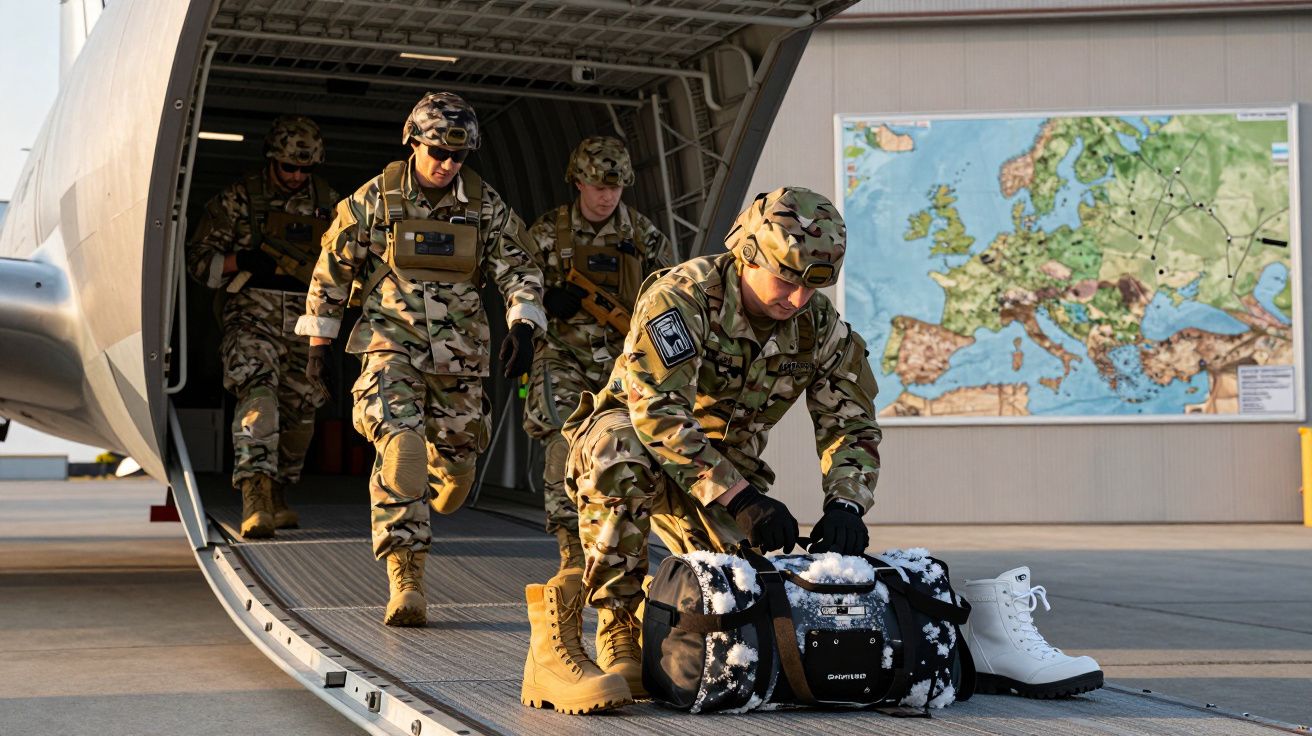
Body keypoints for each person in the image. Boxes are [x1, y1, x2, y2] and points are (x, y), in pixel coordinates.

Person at [520, 186, 1102, 713]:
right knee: (617, 448)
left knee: (744, 596)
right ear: (748, 254)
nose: (798, 298)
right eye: (787, 279)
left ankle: (662, 628)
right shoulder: (683, 297)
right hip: (644, 453)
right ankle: (615, 627)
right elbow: (657, 414)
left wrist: (846, 504)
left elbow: (851, 422)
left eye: (814, 284)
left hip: (730, 479)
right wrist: (742, 496)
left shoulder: (818, 327)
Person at [295, 92, 545, 627]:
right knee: (400, 446)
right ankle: (406, 576)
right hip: (392, 344)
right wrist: (320, 346)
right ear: (414, 141)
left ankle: (449, 468)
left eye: (459, 157)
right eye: (438, 152)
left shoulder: (484, 205)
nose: (448, 164)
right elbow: (332, 269)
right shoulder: (377, 200)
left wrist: (523, 322)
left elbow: (519, 266)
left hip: (461, 357)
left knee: (454, 478)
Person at [522, 136, 676, 575]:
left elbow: (672, 298)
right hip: (562, 356)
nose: (606, 196)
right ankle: (572, 550)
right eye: (597, 186)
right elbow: (519, 284)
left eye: (615, 187)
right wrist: (546, 299)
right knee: (560, 441)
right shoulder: (548, 232)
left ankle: (622, 552)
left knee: (631, 450)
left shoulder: (644, 237)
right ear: (577, 182)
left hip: (622, 364)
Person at [186, 115, 339, 539]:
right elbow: (198, 261)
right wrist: (244, 260)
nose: (296, 176)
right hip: (252, 317)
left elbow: (353, 262)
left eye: (305, 169)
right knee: (259, 399)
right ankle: (253, 498)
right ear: (271, 159)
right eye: (288, 167)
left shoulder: (330, 203)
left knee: (301, 417)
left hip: (308, 323)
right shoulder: (238, 200)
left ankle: (278, 493)